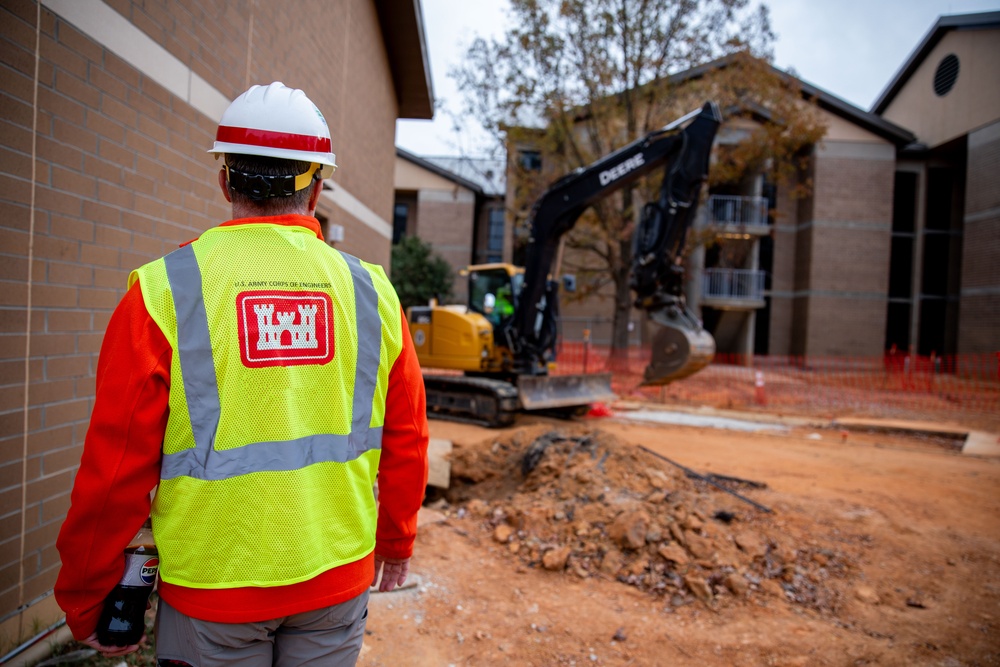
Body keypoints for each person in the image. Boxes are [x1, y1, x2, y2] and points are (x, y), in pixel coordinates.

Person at [54, 82, 429, 666]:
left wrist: (86, 596)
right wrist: (397, 540)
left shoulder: (163, 291)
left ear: (225, 179)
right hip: (335, 579)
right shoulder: (374, 294)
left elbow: (113, 469)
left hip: (212, 590)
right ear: (318, 186)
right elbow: (407, 435)